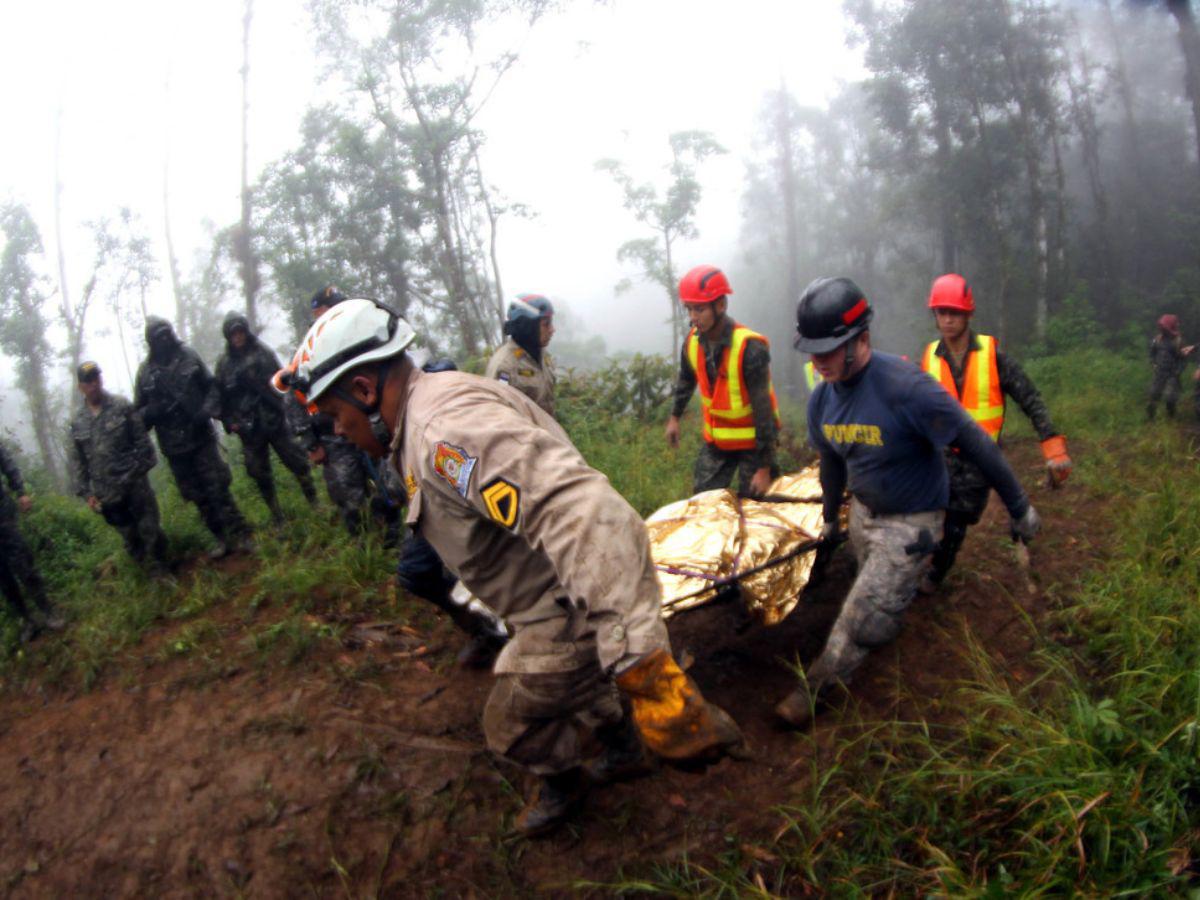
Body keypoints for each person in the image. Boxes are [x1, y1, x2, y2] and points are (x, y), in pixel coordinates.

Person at [275, 298, 744, 837]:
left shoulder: (444, 434)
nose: (338, 431)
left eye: (335, 416)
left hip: (566, 612)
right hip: (556, 596)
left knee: (507, 724)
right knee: (577, 687)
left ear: (363, 390)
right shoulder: (432, 407)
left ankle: (565, 783)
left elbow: (586, 514)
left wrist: (645, 669)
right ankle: (623, 747)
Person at [777, 277, 1040, 728]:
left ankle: (814, 690)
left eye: (829, 350)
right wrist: (830, 519)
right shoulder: (822, 399)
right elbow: (832, 462)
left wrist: (1019, 506)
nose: (818, 361)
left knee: (863, 618)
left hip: (911, 522)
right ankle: (887, 609)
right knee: (870, 588)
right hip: (864, 514)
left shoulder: (907, 389)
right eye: (812, 351)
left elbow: (976, 441)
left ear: (861, 339)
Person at [920, 273, 1071, 589]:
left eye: (954, 312)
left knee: (958, 518)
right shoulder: (929, 357)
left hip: (980, 459)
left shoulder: (992, 355)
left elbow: (1030, 398)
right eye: (941, 312)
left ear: (968, 314)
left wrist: (1052, 446)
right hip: (939, 457)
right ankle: (918, 565)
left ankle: (935, 574)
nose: (947, 320)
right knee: (925, 515)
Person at [134, 317, 251, 559]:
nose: (164, 340)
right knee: (197, 496)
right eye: (158, 337)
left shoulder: (188, 356)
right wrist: (152, 411)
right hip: (174, 448)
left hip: (201, 438)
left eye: (166, 334)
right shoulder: (146, 374)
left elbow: (212, 387)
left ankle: (242, 534)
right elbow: (137, 418)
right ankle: (221, 539)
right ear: (151, 342)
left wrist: (206, 411)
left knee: (218, 487)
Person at [289, 286, 397, 540]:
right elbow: (294, 402)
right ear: (317, 313)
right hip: (333, 438)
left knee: (388, 484)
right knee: (349, 494)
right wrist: (311, 443)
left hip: (369, 425)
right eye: (330, 309)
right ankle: (362, 544)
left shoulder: (356, 337)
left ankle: (393, 536)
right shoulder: (306, 353)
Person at [664, 265, 781, 496]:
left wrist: (764, 468)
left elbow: (763, 411)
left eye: (699, 309)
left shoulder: (749, 348)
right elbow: (686, 380)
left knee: (757, 506)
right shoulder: (692, 343)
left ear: (720, 305)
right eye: (689, 309)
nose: (693, 317)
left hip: (754, 445)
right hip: (717, 443)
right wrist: (674, 418)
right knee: (704, 501)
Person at [215, 312, 317, 524]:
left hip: (274, 420)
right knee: (258, 472)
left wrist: (283, 407)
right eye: (233, 334)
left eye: (240, 332)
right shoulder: (224, 364)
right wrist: (229, 422)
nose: (238, 337)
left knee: (297, 461)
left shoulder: (262, 353)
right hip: (248, 428)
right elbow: (220, 398)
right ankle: (277, 515)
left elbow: (282, 382)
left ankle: (314, 501)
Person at [67, 361, 169, 571]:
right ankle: (144, 570)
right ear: (81, 387)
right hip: (107, 491)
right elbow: (78, 461)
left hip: (134, 482)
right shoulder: (77, 421)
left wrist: (139, 470)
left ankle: (161, 567)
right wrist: (86, 493)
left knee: (150, 527)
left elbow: (142, 441)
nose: (94, 384)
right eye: (88, 381)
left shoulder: (121, 406)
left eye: (96, 378)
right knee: (128, 534)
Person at [0, 444, 63, 641]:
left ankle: (48, 610)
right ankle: (27, 620)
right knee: (3, 577)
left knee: (23, 563)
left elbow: (8, 464)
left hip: (2, 514)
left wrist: (20, 492)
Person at [485, 294, 557, 416]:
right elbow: (497, 415)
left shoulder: (542, 355)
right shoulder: (505, 366)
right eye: (546, 324)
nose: (552, 330)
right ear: (528, 326)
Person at [1148, 314, 1194, 420]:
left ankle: (1171, 419)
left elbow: (1183, 360)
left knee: (1170, 398)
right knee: (1153, 395)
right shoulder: (1157, 339)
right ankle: (1150, 420)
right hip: (1159, 373)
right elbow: (1152, 353)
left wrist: (1178, 372)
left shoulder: (1178, 341)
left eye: (1164, 327)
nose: (1162, 329)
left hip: (1172, 374)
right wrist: (1153, 363)